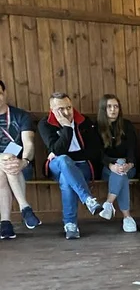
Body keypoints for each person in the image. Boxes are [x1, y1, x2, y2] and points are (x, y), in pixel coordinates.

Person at [37, 92, 104, 240]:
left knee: (66, 179)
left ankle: (71, 225)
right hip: (57, 165)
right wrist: (67, 128)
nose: (67, 112)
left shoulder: (84, 121)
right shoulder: (45, 124)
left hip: (82, 166)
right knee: (64, 161)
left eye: (69, 107)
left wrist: (62, 154)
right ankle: (88, 199)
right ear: (52, 109)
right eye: (61, 109)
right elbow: (58, 150)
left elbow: (93, 151)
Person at [0, 78, 41, 238]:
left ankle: (5, 223)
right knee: (6, 161)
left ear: (5, 93)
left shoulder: (20, 116)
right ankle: (25, 208)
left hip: (20, 166)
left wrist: (24, 161)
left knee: (8, 164)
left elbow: (28, 143)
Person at [96, 94, 139, 233]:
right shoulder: (96, 127)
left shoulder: (127, 125)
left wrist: (129, 164)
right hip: (106, 168)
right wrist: (111, 165)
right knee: (121, 175)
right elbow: (98, 154)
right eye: (109, 107)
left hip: (128, 167)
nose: (113, 110)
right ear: (103, 109)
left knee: (122, 171)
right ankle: (127, 217)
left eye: (116, 106)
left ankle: (108, 204)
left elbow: (133, 149)